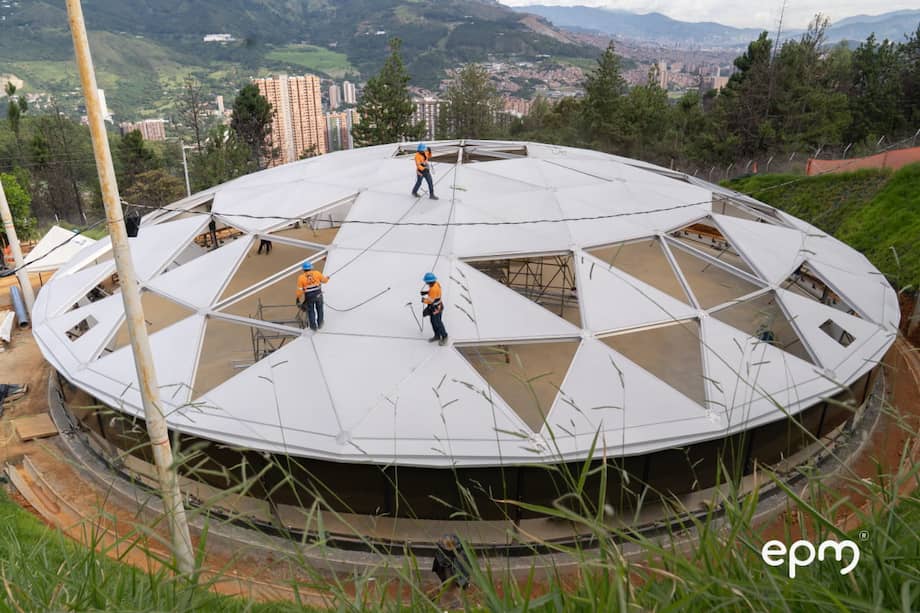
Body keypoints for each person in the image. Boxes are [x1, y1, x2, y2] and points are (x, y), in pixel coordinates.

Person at [295, 261, 329, 330]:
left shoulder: (301, 278)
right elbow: (324, 281)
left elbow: (300, 290)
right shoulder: (317, 273)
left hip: (309, 297)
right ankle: (320, 323)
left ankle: (313, 326)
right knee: (319, 309)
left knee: (311, 311)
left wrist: (298, 298)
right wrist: (327, 278)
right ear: (311, 268)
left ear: (303, 269)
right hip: (318, 295)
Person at [421, 272, 448, 346]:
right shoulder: (436, 283)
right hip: (437, 306)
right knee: (433, 321)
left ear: (429, 281)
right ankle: (437, 336)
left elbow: (430, 301)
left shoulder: (433, 288)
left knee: (438, 323)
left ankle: (445, 336)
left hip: (436, 308)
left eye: (426, 281)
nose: (426, 283)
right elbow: (434, 292)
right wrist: (426, 292)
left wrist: (424, 300)